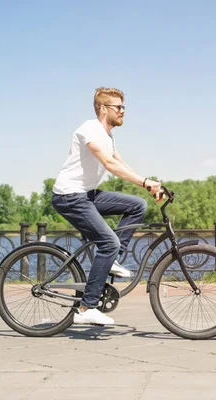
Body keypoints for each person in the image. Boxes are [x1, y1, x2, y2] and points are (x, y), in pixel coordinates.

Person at [51, 87, 163, 325]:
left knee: (137, 206)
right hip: (70, 196)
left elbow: (121, 162)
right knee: (109, 242)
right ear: (103, 108)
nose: (123, 111)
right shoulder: (89, 129)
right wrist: (144, 182)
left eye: (124, 107)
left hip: (87, 194)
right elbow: (109, 164)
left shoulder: (109, 136)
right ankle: (85, 308)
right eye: (118, 107)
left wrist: (149, 186)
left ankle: (111, 260)